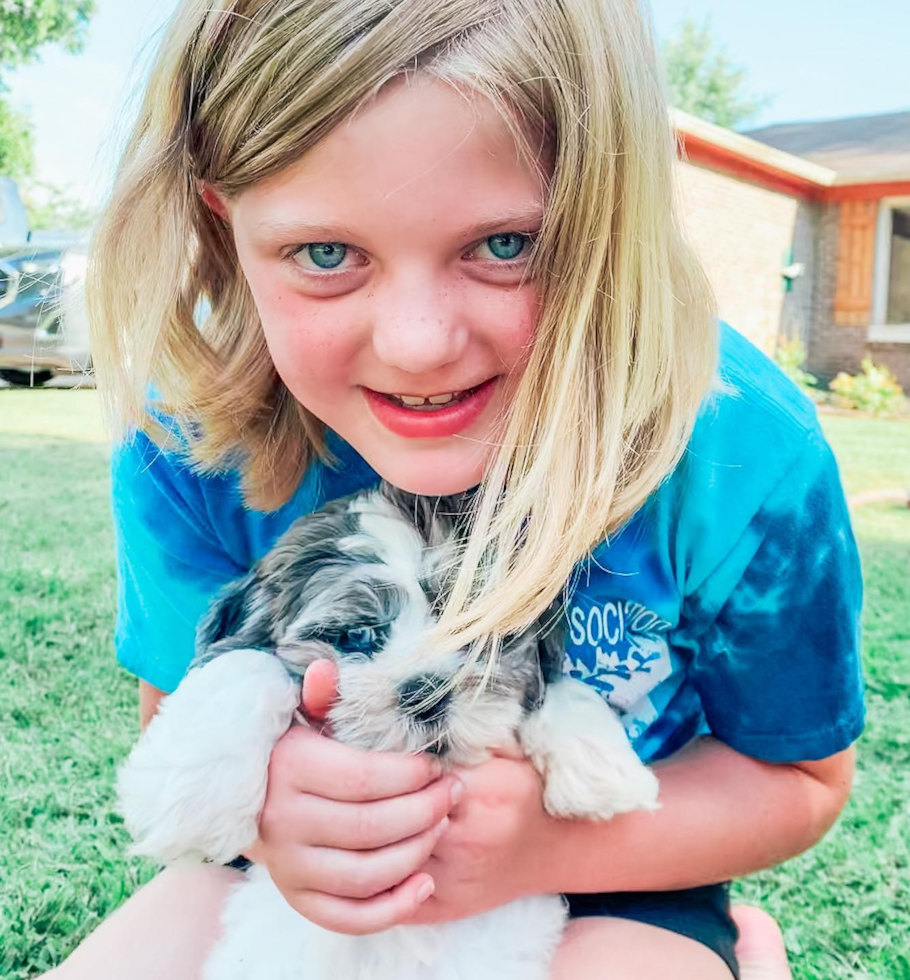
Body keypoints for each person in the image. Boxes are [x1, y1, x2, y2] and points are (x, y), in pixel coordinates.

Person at [49, 1, 864, 977]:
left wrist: (543, 845)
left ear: (610, 210)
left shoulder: (738, 446)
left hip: (612, 882)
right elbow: (182, 713)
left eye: (506, 244)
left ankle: (738, 958)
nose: (418, 342)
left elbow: (797, 779)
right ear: (224, 217)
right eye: (324, 253)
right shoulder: (190, 434)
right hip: (279, 884)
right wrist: (278, 817)